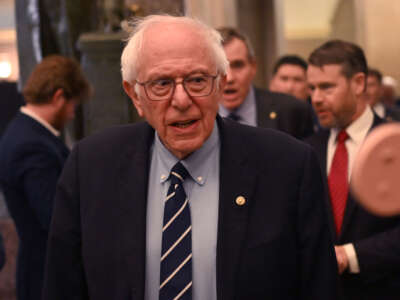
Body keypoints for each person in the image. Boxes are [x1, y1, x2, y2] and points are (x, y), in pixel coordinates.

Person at [43, 15, 338, 300]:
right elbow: (63, 287)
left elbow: (318, 287)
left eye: (197, 80)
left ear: (221, 84)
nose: (182, 100)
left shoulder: (288, 167)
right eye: (161, 84)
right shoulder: (91, 168)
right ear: (134, 95)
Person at [306, 40, 400, 300]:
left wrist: (351, 255)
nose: (316, 98)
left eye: (326, 87)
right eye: (312, 88)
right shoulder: (305, 151)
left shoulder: (394, 143)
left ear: (359, 83)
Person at [0, 55, 91, 300]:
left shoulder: (26, 133)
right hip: (47, 278)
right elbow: (55, 218)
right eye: (73, 104)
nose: (72, 114)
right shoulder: (31, 145)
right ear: (59, 96)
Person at [216, 27, 314, 139]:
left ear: (253, 67)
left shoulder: (293, 111)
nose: (229, 78)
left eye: (238, 65)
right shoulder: (196, 116)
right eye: (219, 67)